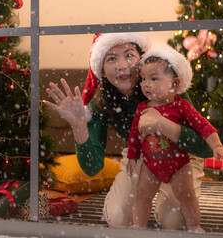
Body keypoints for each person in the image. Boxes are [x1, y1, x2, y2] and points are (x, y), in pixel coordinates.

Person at [44, 32, 214, 229]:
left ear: (142, 58)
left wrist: (165, 125)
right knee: (117, 217)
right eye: (112, 58)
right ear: (102, 69)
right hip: (140, 156)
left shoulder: (168, 85)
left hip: (181, 156)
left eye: (129, 55)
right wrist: (79, 128)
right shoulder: (100, 102)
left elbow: (206, 148)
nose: (122, 65)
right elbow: (93, 168)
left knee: (173, 221)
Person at [127, 47, 223, 232]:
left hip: (179, 164)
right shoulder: (141, 108)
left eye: (153, 78)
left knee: (187, 195)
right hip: (151, 164)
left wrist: (216, 145)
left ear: (175, 84)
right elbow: (134, 136)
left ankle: (194, 226)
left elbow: (202, 125)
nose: (146, 84)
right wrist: (132, 157)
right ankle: (139, 225)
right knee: (142, 194)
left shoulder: (181, 106)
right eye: (143, 78)